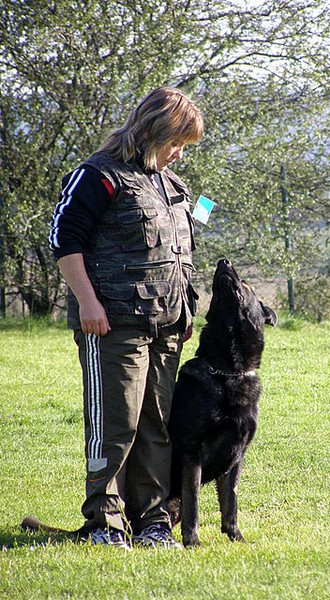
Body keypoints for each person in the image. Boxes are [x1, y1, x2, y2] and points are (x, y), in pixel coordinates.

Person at [49, 86, 204, 549]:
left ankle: (152, 520)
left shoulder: (173, 185)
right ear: (153, 130)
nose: (179, 154)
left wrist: (187, 305)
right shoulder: (97, 175)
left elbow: (182, 248)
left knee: (156, 426)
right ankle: (105, 523)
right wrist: (88, 303)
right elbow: (64, 240)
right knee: (116, 425)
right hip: (112, 323)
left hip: (167, 326)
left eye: (184, 146)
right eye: (176, 143)